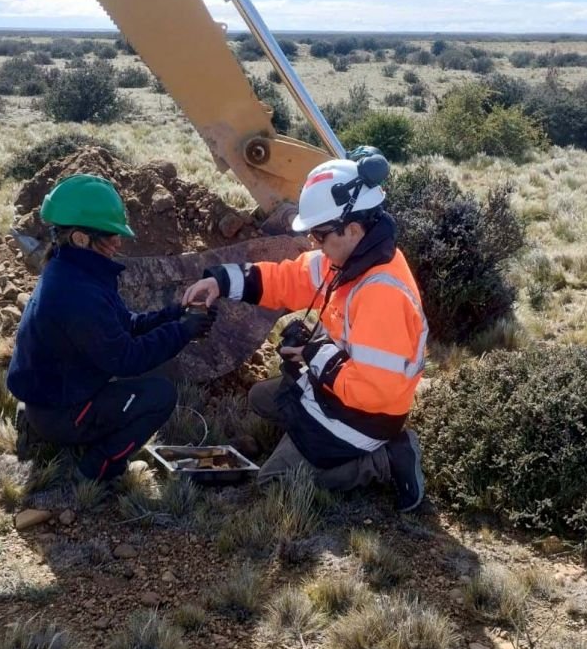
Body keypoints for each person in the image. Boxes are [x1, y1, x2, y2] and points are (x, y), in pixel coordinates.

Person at [182, 152, 428, 511]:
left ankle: (386, 459)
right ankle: (304, 440)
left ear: (354, 229)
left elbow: (376, 393)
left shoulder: (382, 293)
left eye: (320, 233)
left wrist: (314, 355)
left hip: (366, 417)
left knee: (274, 482)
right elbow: (288, 279)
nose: (314, 242)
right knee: (260, 399)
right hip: (336, 390)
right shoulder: (347, 259)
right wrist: (222, 281)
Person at [7, 173, 214, 481]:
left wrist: (176, 314)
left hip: (52, 399)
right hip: (60, 412)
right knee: (159, 395)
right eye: (111, 235)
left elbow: (125, 324)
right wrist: (184, 330)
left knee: (143, 382)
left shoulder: (72, 270)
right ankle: (98, 467)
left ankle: (45, 435)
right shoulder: (77, 293)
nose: (119, 242)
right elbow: (127, 358)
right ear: (80, 238)